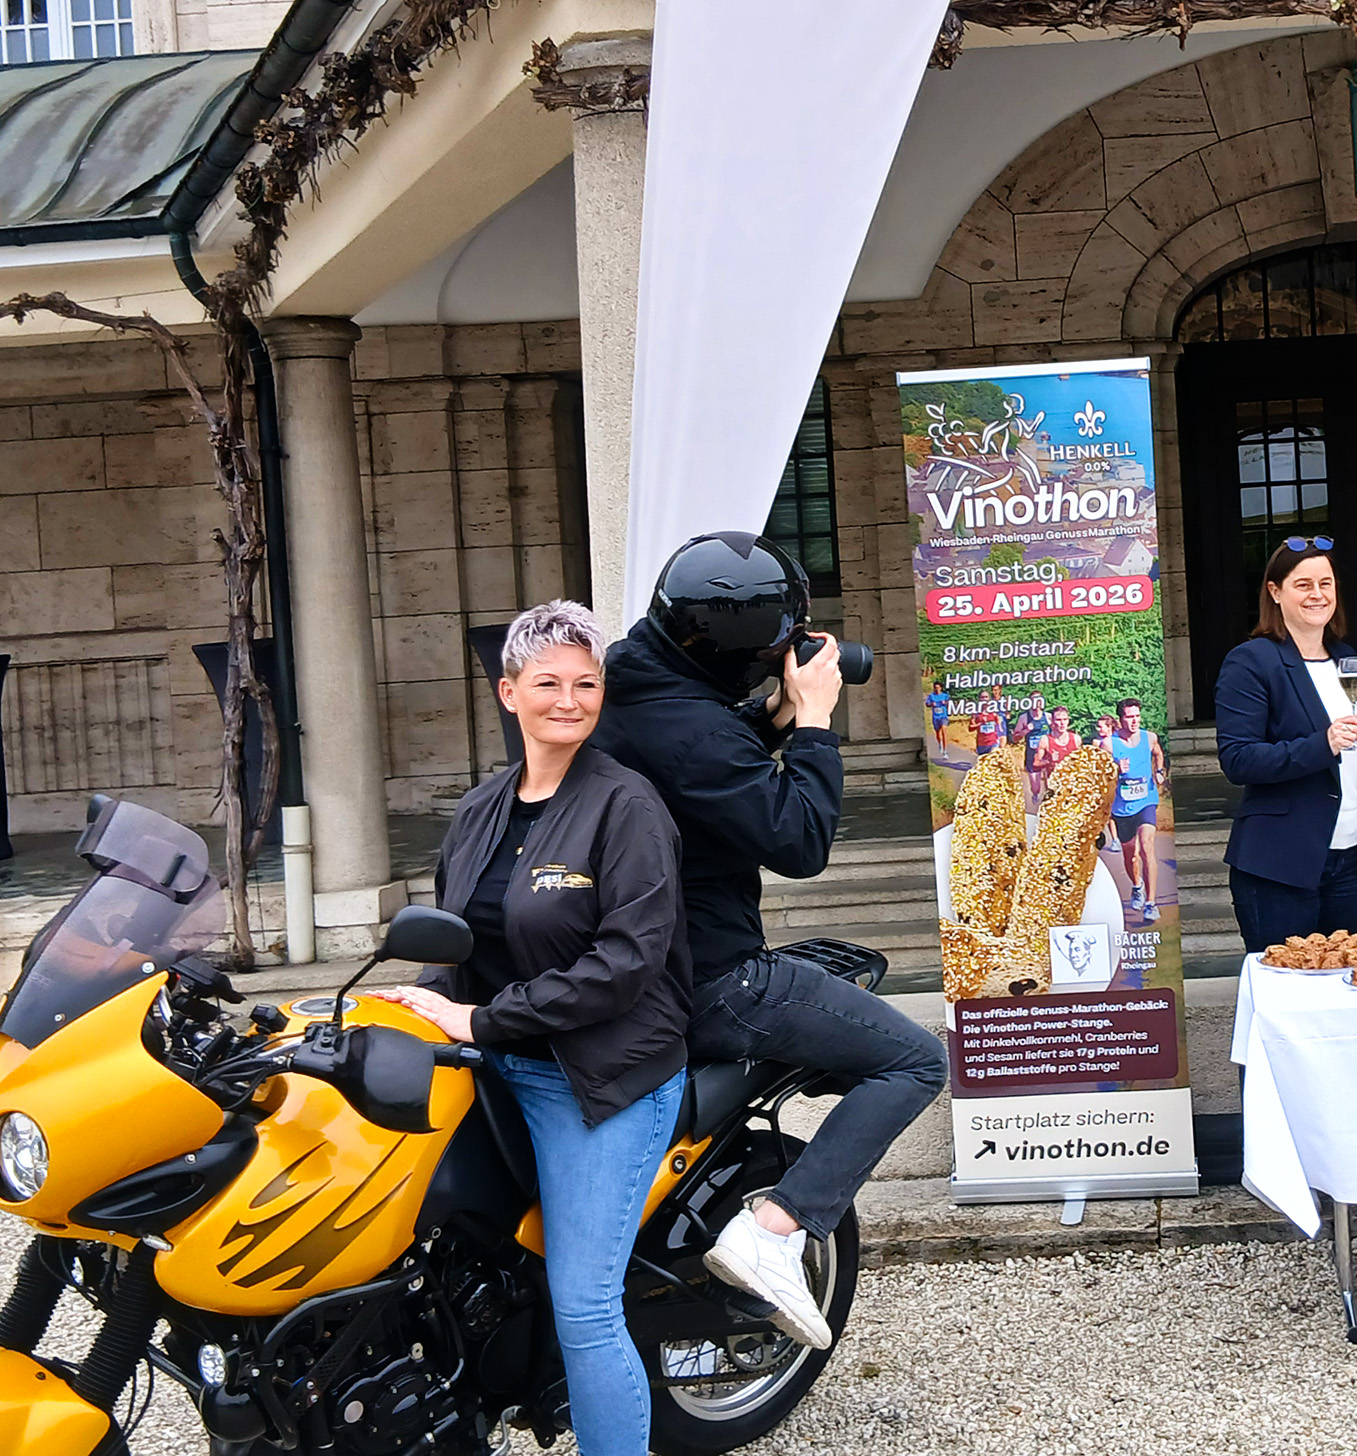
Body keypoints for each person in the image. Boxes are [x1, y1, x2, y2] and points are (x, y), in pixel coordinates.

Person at [595, 532, 946, 1348]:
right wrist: (815, 724)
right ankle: (778, 1227)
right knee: (915, 1059)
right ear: (749, 649)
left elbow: (702, 761)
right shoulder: (693, 729)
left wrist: (765, 715)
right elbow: (798, 844)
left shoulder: (632, 681)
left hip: (636, 967)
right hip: (712, 979)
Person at [376, 602, 691, 1456]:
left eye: (586, 683)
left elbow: (627, 964)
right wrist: (405, 1009)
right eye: (548, 682)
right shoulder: (481, 808)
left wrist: (484, 1018)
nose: (569, 698)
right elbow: (455, 942)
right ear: (509, 693)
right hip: (491, 1061)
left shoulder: (627, 807)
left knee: (584, 1304)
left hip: (599, 1078)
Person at [1214, 538, 1357, 949]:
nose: (1317, 594)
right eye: (1303, 584)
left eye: (1325, 583)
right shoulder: (1253, 660)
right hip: (1280, 864)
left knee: (1339, 991)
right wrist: (1320, 744)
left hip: (1350, 857)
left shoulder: (1348, 660)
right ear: (1275, 591)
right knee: (1286, 992)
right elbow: (1238, 759)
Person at [1107, 697, 1168, 922]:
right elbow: (1100, 776)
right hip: (1122, 807)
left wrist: (1159, 771)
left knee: (1147, 847)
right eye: (1129, 717)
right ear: (1120, 720)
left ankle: (1151, 903)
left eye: (1136, 716)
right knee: (1130, 855)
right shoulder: (1109, 744)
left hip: (1146, 800)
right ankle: (1137, 885)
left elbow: (1158, 754)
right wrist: (1114, 768)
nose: (1134, 721)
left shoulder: (1149, 737)